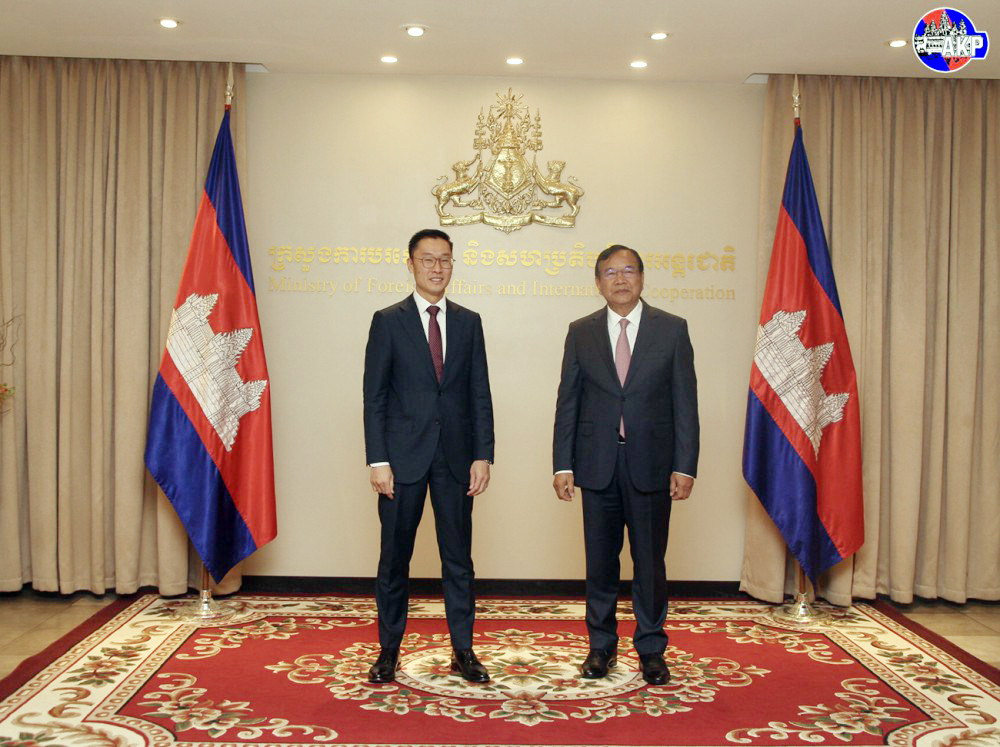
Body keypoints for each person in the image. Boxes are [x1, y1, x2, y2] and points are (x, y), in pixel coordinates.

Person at [552, 244, 699, 685]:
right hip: (597, 463)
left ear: (642, 278)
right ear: (598, 282)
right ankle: (601, 647)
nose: (620, 279)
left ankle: (651, 649)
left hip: (651, 464)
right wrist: (562, 464)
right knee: (600, 563)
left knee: (650, 562)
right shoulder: (581, 331)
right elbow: (568, 402)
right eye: (611, 272)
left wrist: (685, 465)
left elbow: (685, 402)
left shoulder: (671, 329)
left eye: (629, 270)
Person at [363, 228, 495, 684]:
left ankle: (463, 651)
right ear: (411, 264)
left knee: (458, 560)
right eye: (428, 260)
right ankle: (388, 652)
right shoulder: (387, 321)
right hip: (401, 461)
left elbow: (480, 393)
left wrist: (483, 454)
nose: (437, 268)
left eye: (445, 260)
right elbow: (375, 397)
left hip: (456, 460)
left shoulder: (469, 322)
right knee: (394, 560)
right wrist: (378, 460)